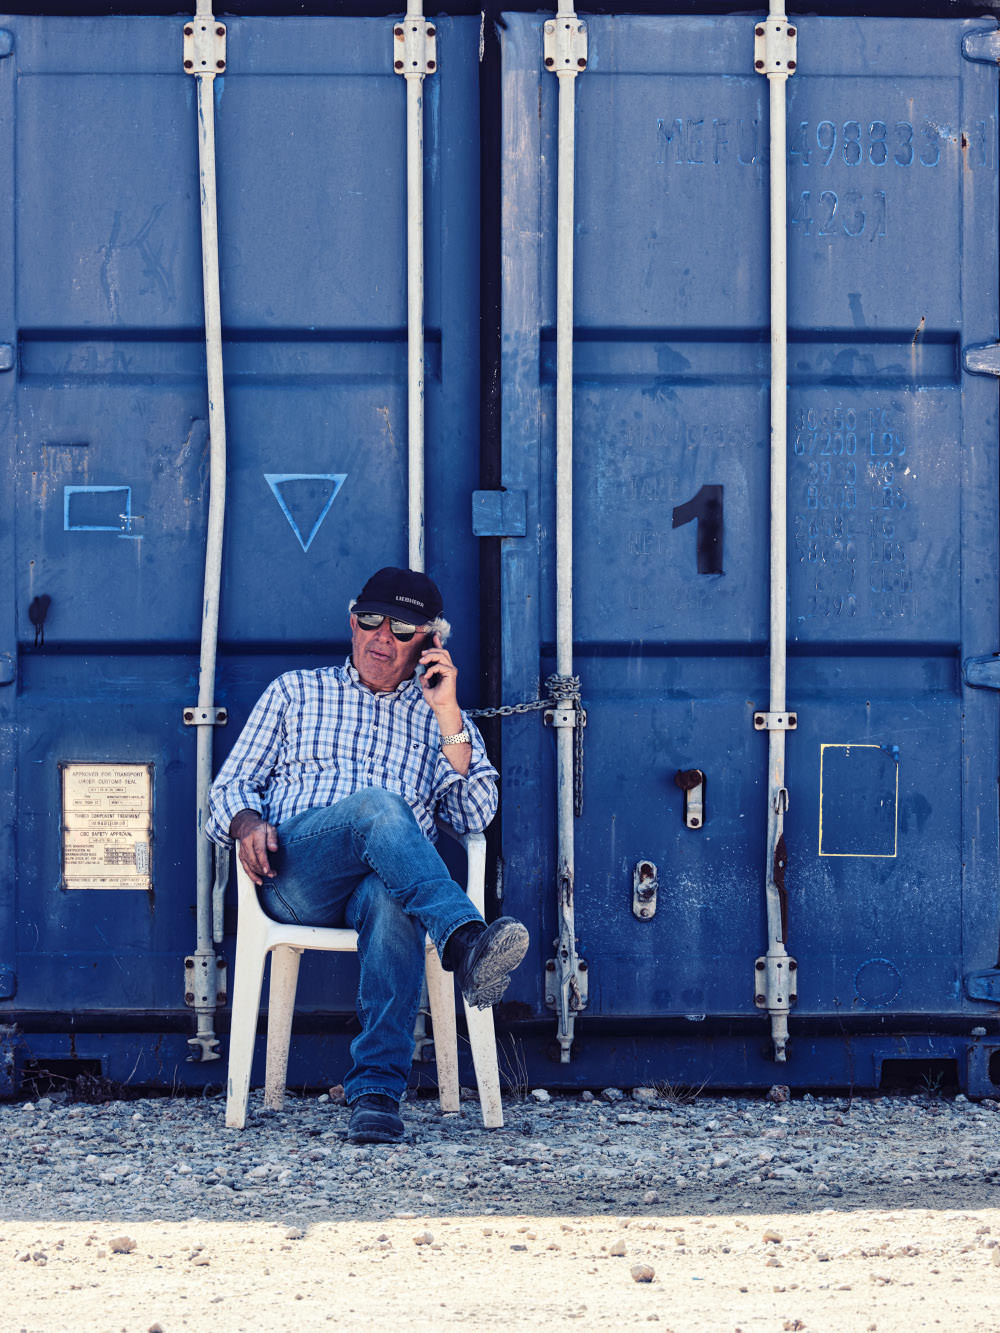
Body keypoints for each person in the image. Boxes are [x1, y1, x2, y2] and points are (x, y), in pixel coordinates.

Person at [206, 566, 528, 1144]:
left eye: (402, 629)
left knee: (392, 895)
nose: (381, 636)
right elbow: (226, 789)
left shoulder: (437, 717)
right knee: (377, 807)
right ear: (353, 623)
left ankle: (377, 1093)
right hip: (297, 874)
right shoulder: (295, 692)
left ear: (430, 642)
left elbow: (474, 814)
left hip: (386, 884)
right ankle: (463, 938)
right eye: (370, 620)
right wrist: (246, 820)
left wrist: (448, 711)